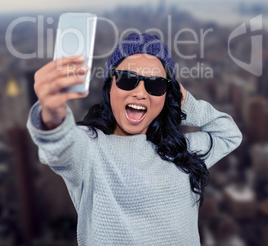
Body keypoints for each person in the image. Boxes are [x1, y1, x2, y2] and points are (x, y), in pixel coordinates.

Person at [27, 32, 242, 246]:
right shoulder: (90, 148)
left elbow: (229, 134)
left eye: (156, 85)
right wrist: (53, 116)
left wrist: (186, 103)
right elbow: (61, 146)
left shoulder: (182, 150)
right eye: (127, 80)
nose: (140, 93)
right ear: (109, 85)